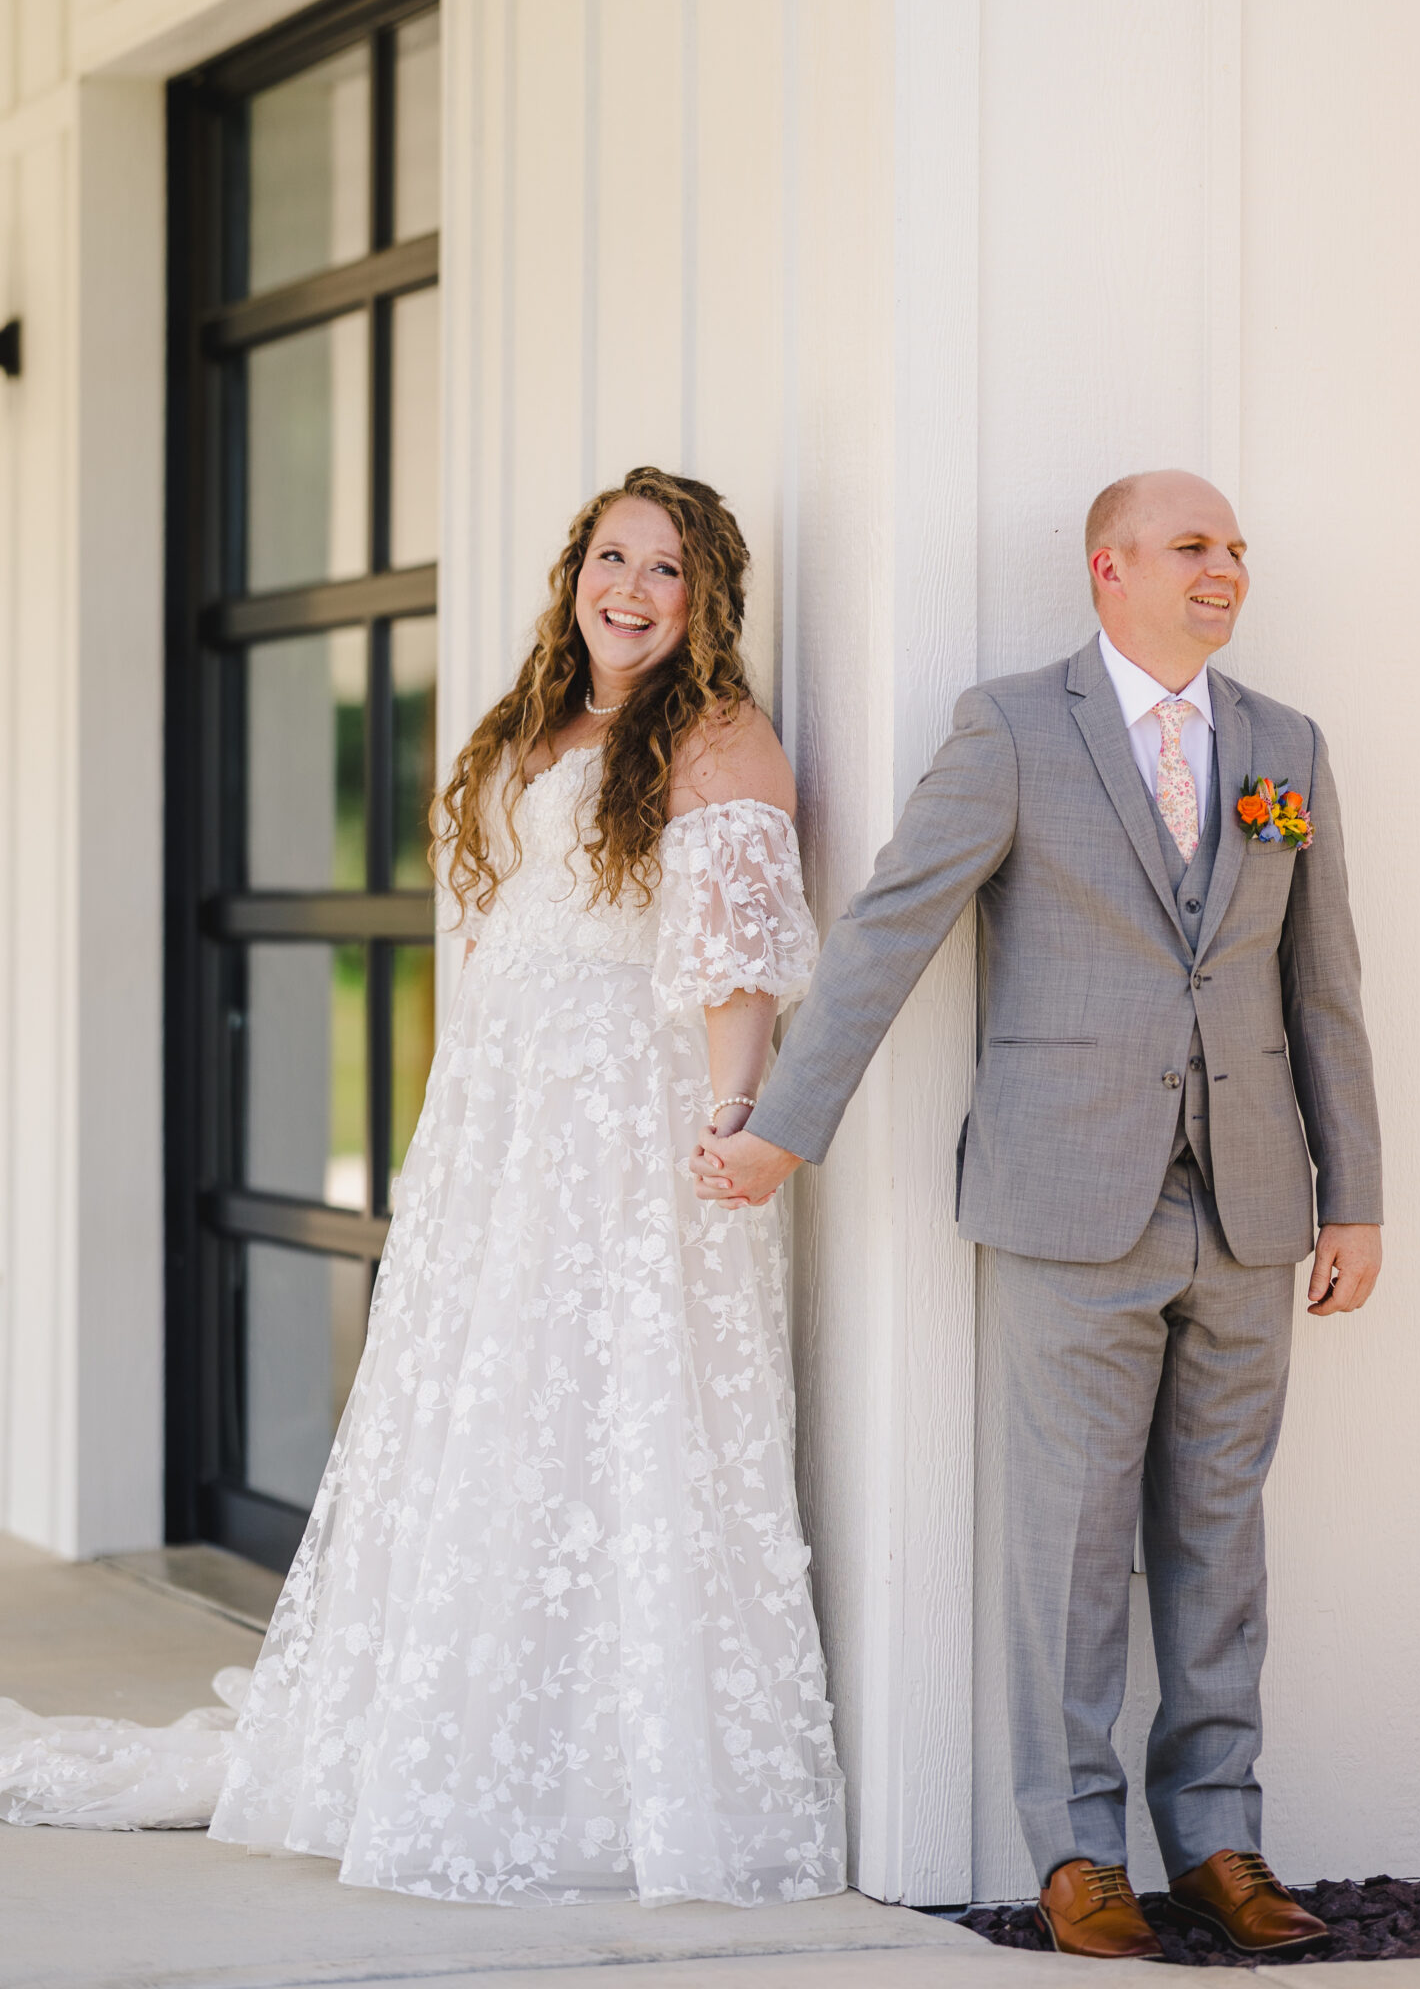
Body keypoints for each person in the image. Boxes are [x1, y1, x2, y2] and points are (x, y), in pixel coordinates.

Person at [0, 467, 846, 1905]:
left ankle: (603, 1769)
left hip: (626, 1129)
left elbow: (732, 957)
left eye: (666, 572)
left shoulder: (715, 734)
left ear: (707, 603)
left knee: (610, 1407)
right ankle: (446, 1721)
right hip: (504, 1118)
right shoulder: (540, 721)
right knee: (490, 1402)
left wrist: (732, 1117)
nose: (630, 591)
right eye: (611, 558)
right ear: (574, 569)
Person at [694, 469, 1382, 1961]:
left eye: (1238, 550)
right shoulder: (1013, 729)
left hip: (1255, 1210)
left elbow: (1321, 987)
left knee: (1223, 1538)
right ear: (1108, 567)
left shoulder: (1285, 747)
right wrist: (784, 1131)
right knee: (1066, 1544)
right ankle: (1078, 1856)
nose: (1226, 570)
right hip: (1073, 1202)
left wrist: (1358, 1196)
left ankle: (1218, 1838)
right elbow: (890, 927)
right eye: (1195, 546)